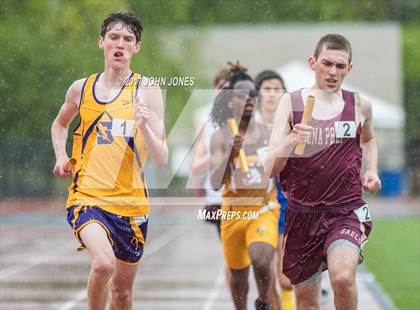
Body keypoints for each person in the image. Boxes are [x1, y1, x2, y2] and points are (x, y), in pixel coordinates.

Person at [51, 11, 168, 309]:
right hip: (87, 197)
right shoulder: (81, 89)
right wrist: (61, 154)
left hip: (131, 205)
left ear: (137, 47)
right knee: (103, 264)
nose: (120, 44)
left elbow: (161, 157)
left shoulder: (148, 91)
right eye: (114, 37)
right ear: (101, 42)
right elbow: (60, 123)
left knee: (122, 294)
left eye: (128, 39)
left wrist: (145, 128)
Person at [265, 34, 381, 310]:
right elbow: (270, 168)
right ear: (312, 62)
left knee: (342, 278)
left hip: (345, 211)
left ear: (349, 68)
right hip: (301, 215)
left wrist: (372, 170)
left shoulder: (360, 105)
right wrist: (290, 141)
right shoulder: (291, 104)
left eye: (340, 66)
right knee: (307, 302)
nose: (333, 72)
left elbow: (368, 139)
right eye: (327, 63)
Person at [210, 63, 279, 310]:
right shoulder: (220, 137)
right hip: (233, 212)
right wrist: (232, 152)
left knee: (261, 258)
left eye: (253, 95)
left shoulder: (270, 132)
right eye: (242, 95)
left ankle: (263, 302)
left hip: (264, 209)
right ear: (230, 101)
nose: (249, 99)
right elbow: (216, 182)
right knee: (238, 278)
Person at [255, 70, 295, 310]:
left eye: (276, 89)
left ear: (284, 93)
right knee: (266, 273)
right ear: (258, 93)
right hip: (261, 206)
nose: (271, 94)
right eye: (266, 89)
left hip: (289, 203)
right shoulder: (247, 126)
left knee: (286, 278)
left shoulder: (292, 124)